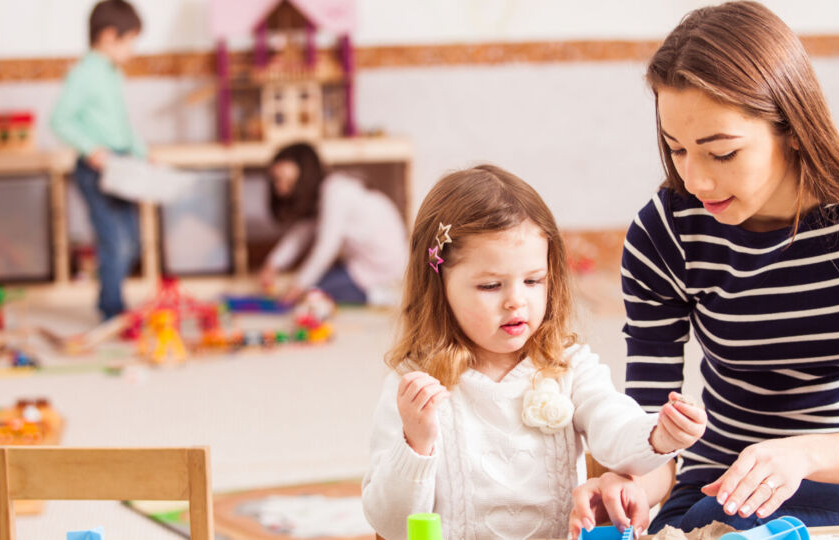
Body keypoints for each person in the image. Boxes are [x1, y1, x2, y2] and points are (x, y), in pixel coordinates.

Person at [568, 1, 839, 535]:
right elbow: (652, 435)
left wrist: (797, 457)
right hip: (717, 490)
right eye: (677, 150)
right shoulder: (665, 232)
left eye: (722, 153)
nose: (697, 181)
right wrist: (625, 487)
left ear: (791, 126)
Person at [361, 165, 708, 539]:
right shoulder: (415, 382)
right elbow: (388, 523)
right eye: (490, 285)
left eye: (533, 280)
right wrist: (417, 441)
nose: (516, 301)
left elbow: (615, 429)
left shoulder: (567, 365)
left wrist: (660, 435)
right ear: (439, 286)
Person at [50, 0, 146, 320]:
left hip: (122, 164)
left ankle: (113, 299)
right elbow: (60, 119)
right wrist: (91, 148)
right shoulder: (84, 74)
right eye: (130, 41)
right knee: (114, 240)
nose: (132, 50)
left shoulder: (111, 73)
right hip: (96, 169)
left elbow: (121, 122)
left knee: (132, 239)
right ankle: (111, 307)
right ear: (108, 37)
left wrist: (142, 156)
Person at [260, 142, 408, 306]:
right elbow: (301, 233)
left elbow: (326, 247)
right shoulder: (325, 192)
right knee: (318, 282)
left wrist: (298, 287)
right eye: (276, 181)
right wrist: (272, 264)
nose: (279, 188)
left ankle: (378, 295)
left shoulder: (335, 192)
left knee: (314, 292)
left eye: (285, 181)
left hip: (382, 269)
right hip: (360, 263)